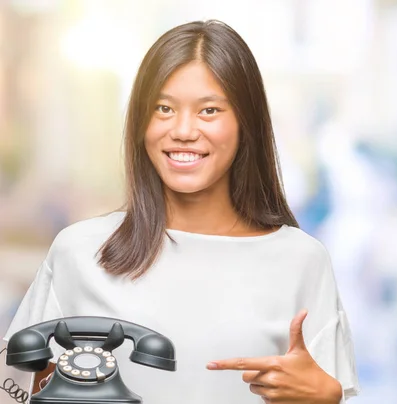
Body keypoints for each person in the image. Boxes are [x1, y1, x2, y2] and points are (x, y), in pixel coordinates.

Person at [1, 20, 360, 404]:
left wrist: (326, 397)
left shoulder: (301, 260)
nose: (183, 130)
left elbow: (320, 389)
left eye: (208, 110)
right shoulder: (79, 251)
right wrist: (44, 383)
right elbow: (14, 389)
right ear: (140, 121)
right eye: (164, 108)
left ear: (245, 122)